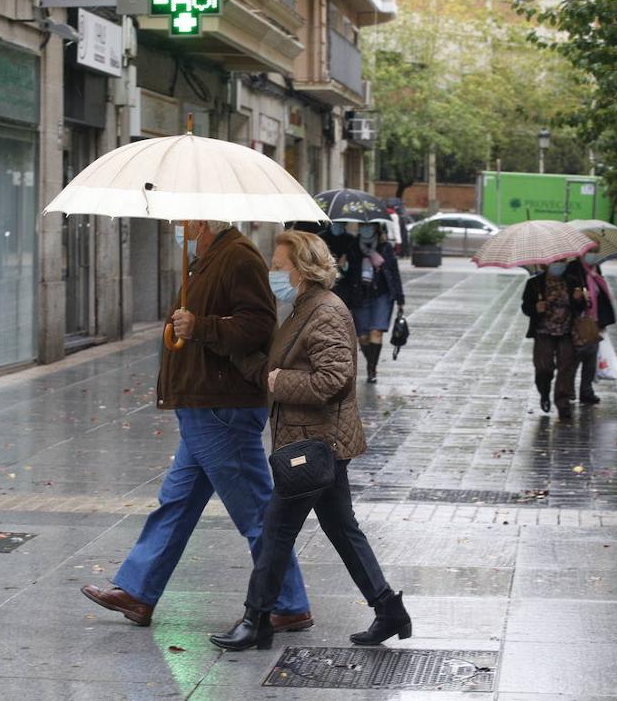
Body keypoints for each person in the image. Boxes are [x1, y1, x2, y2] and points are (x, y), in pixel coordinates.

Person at [81, 220, 313, 633]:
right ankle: (138, 591)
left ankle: (288, 601)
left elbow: (258, 326)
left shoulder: (237, 257)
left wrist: (200, 327)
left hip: (221, 408)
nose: (175, 226)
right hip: (203, 406)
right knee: (177, 501)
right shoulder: (205, 259)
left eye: (180, 219)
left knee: (255, 510)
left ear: (200, 220)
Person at [210, 231, 411, 651]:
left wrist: (280, 381)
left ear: (301, 270)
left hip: (315, 444)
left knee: (275, 529)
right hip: (314, 443)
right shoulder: (303, 307)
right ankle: (388, 610)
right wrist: (229, 346)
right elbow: (275, 367)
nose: (273, 273)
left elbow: (334, 379)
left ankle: (256, 619)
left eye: (279, 267)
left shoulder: (326, 312)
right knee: (341, 528)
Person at [520, 260, 588, 421]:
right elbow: (526, 307)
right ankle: (544, 393)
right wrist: (536, 308)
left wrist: (580, 299)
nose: (560, 265)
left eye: (562, 262)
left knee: (566, 368)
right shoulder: (534, 283)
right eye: (556, 262)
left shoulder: (572, 281)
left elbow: (582, 307)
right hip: (543, 331)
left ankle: (563, 404)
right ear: (545, 264)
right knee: (544, 367)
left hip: (567, 332)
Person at [339, 222, 405, 383]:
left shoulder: (385, 247)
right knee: (362, 337)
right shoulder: (352, 246)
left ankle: (372, 369)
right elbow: (345, 275)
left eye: (369, 226)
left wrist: (400, 298)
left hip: (381, 295)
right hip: (359, 296)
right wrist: (343, 266)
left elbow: (394, 272)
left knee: (376, 332)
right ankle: (370, 362)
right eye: (362, 226)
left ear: (376, 228)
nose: (365, 229)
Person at [571, 254, 615, 405]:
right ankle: (569, 388)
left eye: (597, 251)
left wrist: (602, 321)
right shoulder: (574, 269)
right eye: (591, 251)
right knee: (575, 356)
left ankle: (586, 390)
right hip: (578, 321)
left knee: (591, 356)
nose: (594, 255)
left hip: (594, 321)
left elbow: (601, 296)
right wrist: (579, 298)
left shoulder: (595, 270)